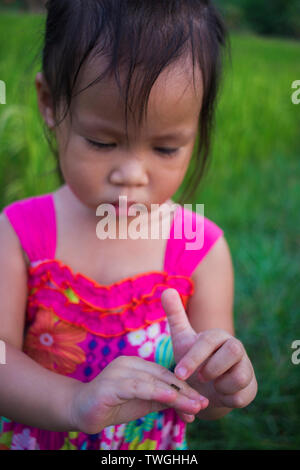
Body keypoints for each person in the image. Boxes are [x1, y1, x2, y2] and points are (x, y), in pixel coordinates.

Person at [0, 0, 257, 450]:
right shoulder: (20, 233)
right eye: (102, 141)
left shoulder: (200, 248)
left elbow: (213, 393)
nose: (132, 175)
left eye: (165, 148)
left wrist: (221, 383)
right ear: (49, 103)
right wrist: (77, 402)